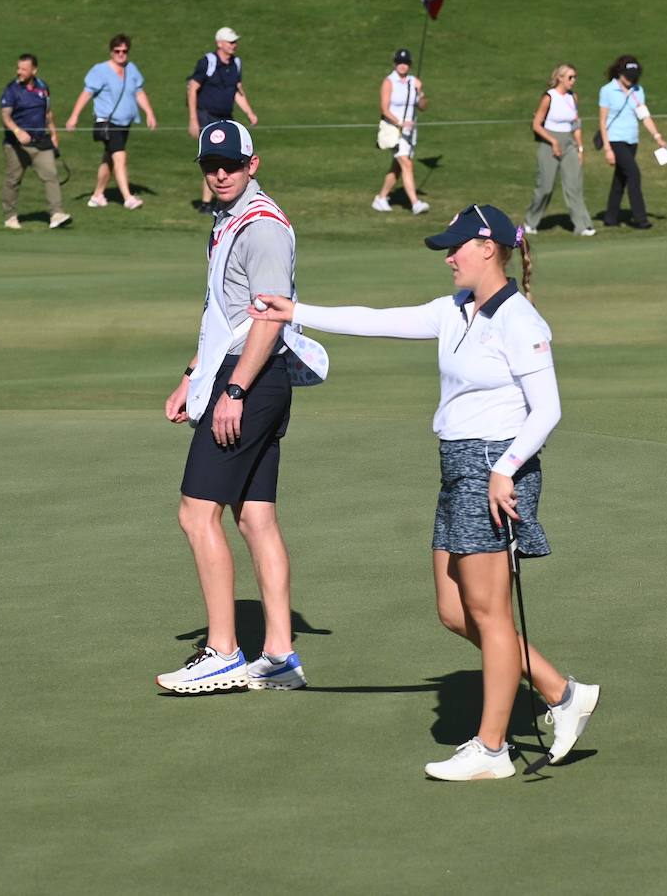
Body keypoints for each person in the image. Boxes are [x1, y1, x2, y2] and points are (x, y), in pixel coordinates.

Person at [250, 204, 600, 781]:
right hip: (458, 465)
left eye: (457, 246)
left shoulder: (520, 321)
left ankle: (492, 750)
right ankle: (563, 695)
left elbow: (549, 410)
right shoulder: (455, 311)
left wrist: (506, 469)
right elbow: (378, 319)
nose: (449, 256)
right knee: (454, 611)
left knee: (488, 614)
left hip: (494, 469)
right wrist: (298, 312)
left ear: (488, 247)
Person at [158, 120, 307, 695]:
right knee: (255, 516)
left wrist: (234, 390)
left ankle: (222, 651)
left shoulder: (262, 227)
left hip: (253, 378)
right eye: (209, 165)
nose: (220, 173)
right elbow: (224, 313)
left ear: (253, 163)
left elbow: (269, 315)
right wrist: (192, 376)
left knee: (197, 513)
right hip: (243, 373)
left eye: (231, 164)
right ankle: (279, 655)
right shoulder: (229, 218)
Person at [66, 33, 158, 210]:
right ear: (111, 51)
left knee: (109, 159)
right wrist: (74, 116)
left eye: (124, 51)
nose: (121, 54)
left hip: (125, 123)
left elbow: (139, 92)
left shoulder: (131, 69)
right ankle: (128, 198)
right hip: (108, 122)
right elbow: (87, 93)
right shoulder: (100, 70)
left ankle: (97, 195)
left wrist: (149, 113)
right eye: (117, 51)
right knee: (120, 157)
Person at [187, 28, 259, 213]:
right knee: (213, 156)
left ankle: (217, 201)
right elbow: (192, 88)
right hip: (207, 115)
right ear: (219, 43)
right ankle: (206, 203)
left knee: (226, 158)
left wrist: (249, 112)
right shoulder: (207, 62)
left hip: (225, 117)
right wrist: (193, 119)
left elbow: (237, 90)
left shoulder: (236, 63)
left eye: (235, 42)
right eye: (230, 42)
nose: (234, 45)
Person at [0, 53, 69, 230]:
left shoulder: (43, 87)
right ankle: (10, 217)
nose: (19, 72)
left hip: (40, 142)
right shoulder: (11, 90)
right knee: (13, 180)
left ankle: (56, 213)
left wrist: (53, 133)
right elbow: (5, 116)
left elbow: (47, 113)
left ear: (34, 70)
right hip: (16, 145)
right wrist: (17, 131)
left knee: (51, 175)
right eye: (18, 68)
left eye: (23, 69)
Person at [598, 55, 667, 229]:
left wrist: (657, 136)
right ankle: (640, 218)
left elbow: (645, 117)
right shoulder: (607, 90)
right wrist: (607, 148)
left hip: (632, 140)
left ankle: (610, 217)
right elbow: (603, 121)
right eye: (627, 75)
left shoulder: (638, 90)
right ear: (619, 73)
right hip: (615, 139)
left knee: (620, 179)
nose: (630, 79)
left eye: (633, 76)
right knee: (633, 174)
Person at [524, 63, 594, 236]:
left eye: (575, 77)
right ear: (560, 78)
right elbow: (536, 125)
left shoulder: (573, 97)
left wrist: (580, 148)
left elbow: (576, 124)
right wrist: (553, 141)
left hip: (569, 144)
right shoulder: (549, 97)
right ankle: (530, 221)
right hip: (549, 143)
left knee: (574, 185)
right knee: (545, 186)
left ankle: (583, 225)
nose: (573, 81)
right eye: (570, 77)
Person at [371, 48, 431, 215]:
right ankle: (415, 203)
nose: (402, 66)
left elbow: (423, 107)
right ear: (395, 64)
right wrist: (400, 123)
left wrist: (420, 93)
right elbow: (384, 109)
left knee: (398, 167)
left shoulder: (414, 82)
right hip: (394, 130)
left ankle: (381, 198)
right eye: (399, 62)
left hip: (410, 131)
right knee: (407, 163)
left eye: (405, 63)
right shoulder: (389, 82)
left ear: (409, 65)